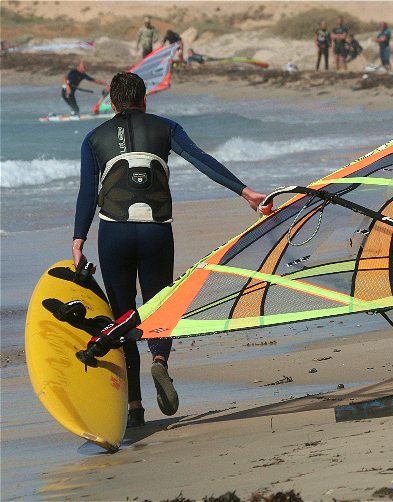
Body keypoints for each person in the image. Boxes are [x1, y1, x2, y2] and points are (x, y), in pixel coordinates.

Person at [71, 72, 272, 428]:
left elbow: (88, 193)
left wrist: (78, 239)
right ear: (146, 100)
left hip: (114, 234)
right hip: (156, 234)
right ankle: (160, 362)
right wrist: (246, 192)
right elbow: (201, 160)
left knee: (122, 316)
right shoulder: (166, 128)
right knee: (160, 309)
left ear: (112, 104)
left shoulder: (93, 138)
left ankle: (135, 408)